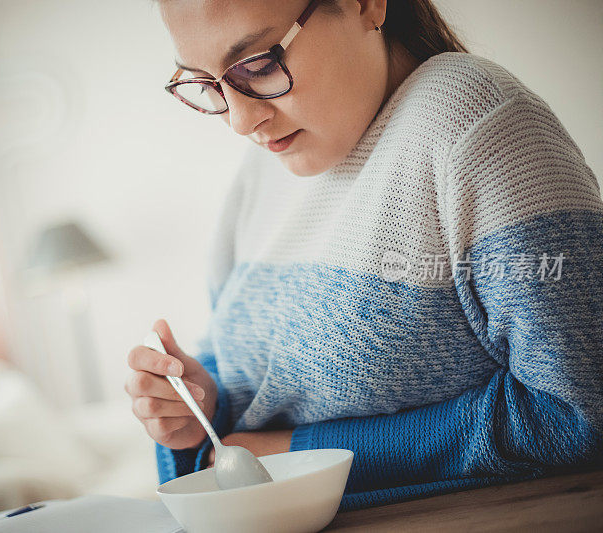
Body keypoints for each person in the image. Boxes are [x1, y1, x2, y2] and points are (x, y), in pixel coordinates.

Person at [124, 0, 603, 510]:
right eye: (206, 84)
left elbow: (578, 410)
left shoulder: (472, 121)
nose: (240, 121)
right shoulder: (262, 171)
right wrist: (199, 407)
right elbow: (247, 381)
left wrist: (297, 455)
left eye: (260, 64)